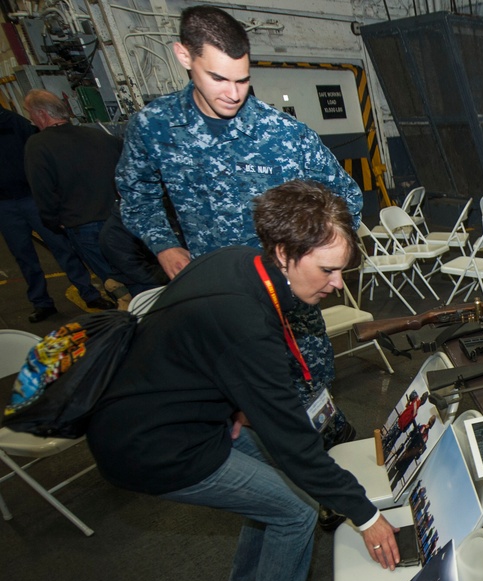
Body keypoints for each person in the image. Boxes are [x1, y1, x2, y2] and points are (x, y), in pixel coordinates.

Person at [87, 180, 399, 581]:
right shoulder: (248, 326)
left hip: (165, 411)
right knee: (296, 510)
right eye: (329, 270)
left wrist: (230, 404)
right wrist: (367, 516)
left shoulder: (235, 261)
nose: (338, 284)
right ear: (283, 252)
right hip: (154, 446)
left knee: (272, 483)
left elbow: (189, 342)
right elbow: (296, 445)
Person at [115, 5, 365, 513]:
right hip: (219, 307)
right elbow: (133, 194)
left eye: (244, 79)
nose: (233, 92)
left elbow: (346, 198)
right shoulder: (154, 127)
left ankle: (331, 505)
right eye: (218, 78)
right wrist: (163, 244)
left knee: (308, 402)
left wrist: (313, 255)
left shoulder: (284, 134)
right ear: (184, 56)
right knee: (241, 419)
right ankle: (287, 507)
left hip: (291, 309)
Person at [0, 105, 114, 322]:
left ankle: (89, 293)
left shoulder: (16, 124)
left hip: (31, 198)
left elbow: (37, 158)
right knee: (23, 256)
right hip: (4, 205)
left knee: (62, 247)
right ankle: (41, 302)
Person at [22, 89, 121, 285]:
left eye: (30, 113)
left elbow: (43, 190)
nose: (31, 120)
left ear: (42, 114)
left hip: (82, 225)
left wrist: (52, 221)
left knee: (114, 283)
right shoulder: (100, 137)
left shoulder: (38, 145)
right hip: (119, 219)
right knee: (136, 275)